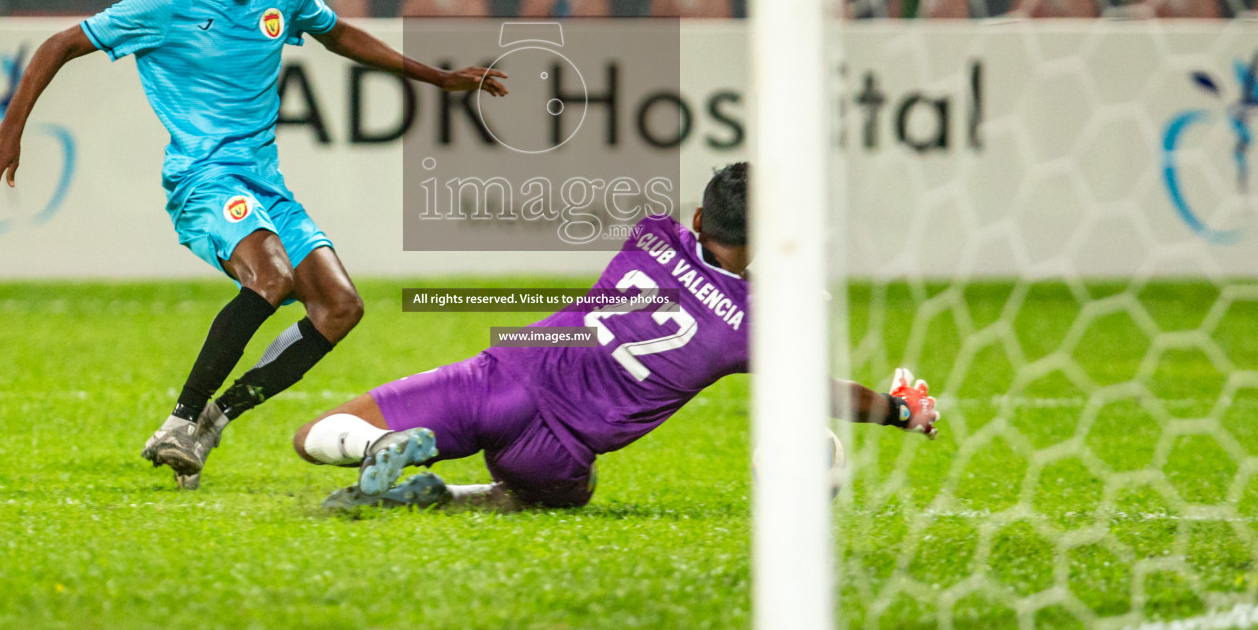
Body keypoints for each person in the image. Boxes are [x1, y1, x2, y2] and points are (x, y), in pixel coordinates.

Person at [0, 0, 508, 489]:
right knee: (273, 276)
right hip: (202, 180)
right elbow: (61, 43)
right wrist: (11, 130)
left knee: (340, 307)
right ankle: (178, 422)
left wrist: (437, 77)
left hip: (264, 183)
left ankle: (214, 419)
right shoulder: (167, 1)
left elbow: (341, 37)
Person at [291, 162, 941, 512]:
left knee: (313, 437)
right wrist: (899, 412)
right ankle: (451, 498)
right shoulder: (753, 327)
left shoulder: (653, 233)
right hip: (557, 449)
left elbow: (700, 263)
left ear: (696, 217)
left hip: (503, 376)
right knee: (565, 496)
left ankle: (391, 447)